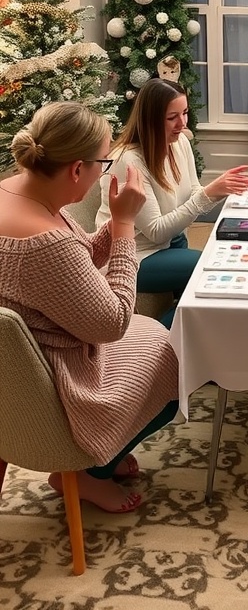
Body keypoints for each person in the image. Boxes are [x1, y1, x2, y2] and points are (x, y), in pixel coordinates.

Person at [0, 101, 181, 513]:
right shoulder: (47, 243)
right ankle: (87, 472)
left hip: (15, 369)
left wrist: (115, 221)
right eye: (102, 161)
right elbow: (114, 321)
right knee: (175, 356)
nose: (106, 170)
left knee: (155, 335)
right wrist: (123, 227)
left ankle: (104, 460)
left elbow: (71, 263)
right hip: (54, 382)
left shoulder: (12, 191)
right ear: (77, 169)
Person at [97, 78, 248, 325]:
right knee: (209, 267)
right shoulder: (128, 161)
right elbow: (156, 231)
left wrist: (218, 192)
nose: (182, 124)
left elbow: (192, 191)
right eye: (172, 117)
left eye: (185, 113)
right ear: (150, 119)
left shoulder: (179, 142)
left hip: (172, 240)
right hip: (137, 254)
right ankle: (164, 338)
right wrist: (209, 193)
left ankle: (198, 335)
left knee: (210, 290)